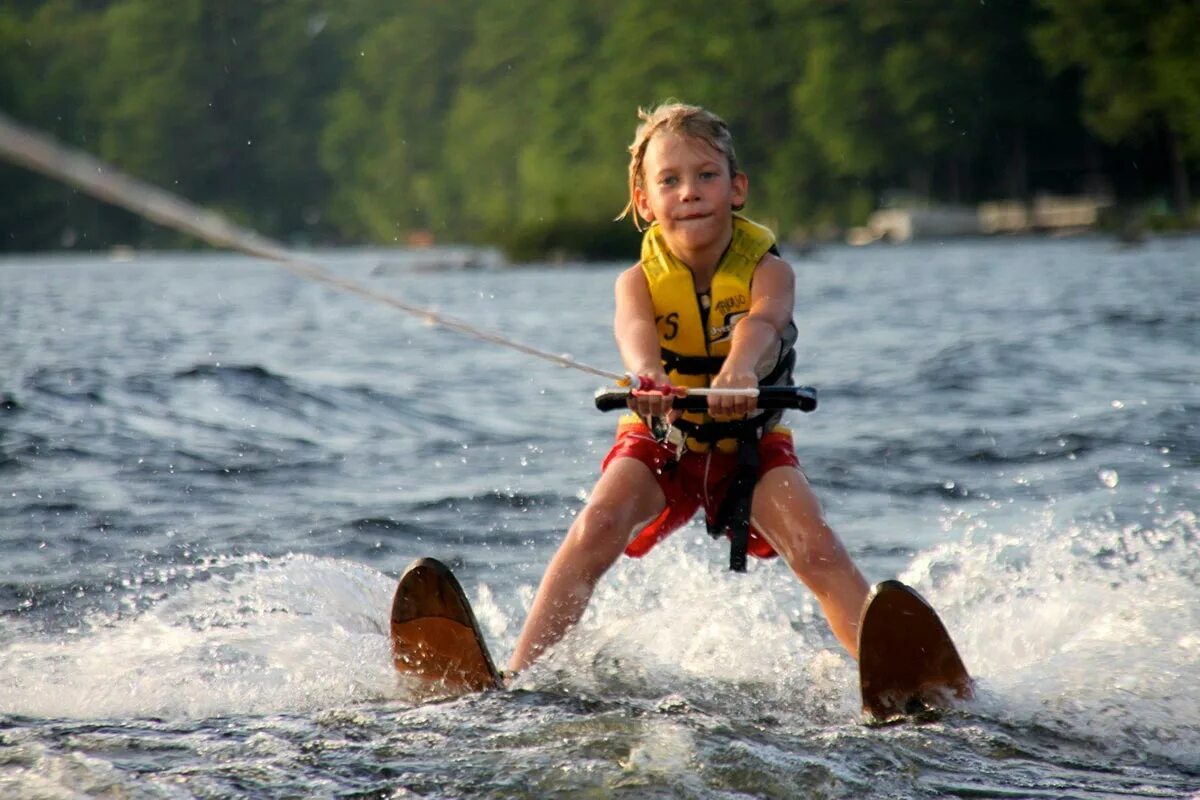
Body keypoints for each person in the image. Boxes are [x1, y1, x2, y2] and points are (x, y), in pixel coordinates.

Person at [508, 102, 869, 675]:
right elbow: (633, 330)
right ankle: (518, 673)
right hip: (665, 441)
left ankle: (898, 673)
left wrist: (740, 371)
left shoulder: (769, 271)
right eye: (670, 180)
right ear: (646, 201)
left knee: (816, 548)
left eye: (706, 176)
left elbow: (764, 321)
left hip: (749, 446)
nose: (690, 192)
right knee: (598, 523)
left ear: (737, 188)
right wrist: (648, 377)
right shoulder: (636, 282)